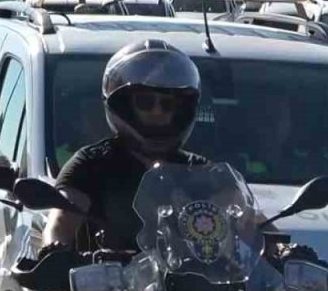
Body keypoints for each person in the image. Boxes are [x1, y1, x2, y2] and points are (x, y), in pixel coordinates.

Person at [43, 39, 207, 251]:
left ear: (179, 111)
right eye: (145, 103)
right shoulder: (91, 165)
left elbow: (245, 220)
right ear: (125, 105)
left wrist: (262, 238)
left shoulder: (199, 171)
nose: (157, 112)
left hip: (188, 282)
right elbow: (61, 221)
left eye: (167, 105)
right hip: (107, 282)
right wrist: (53, 248)